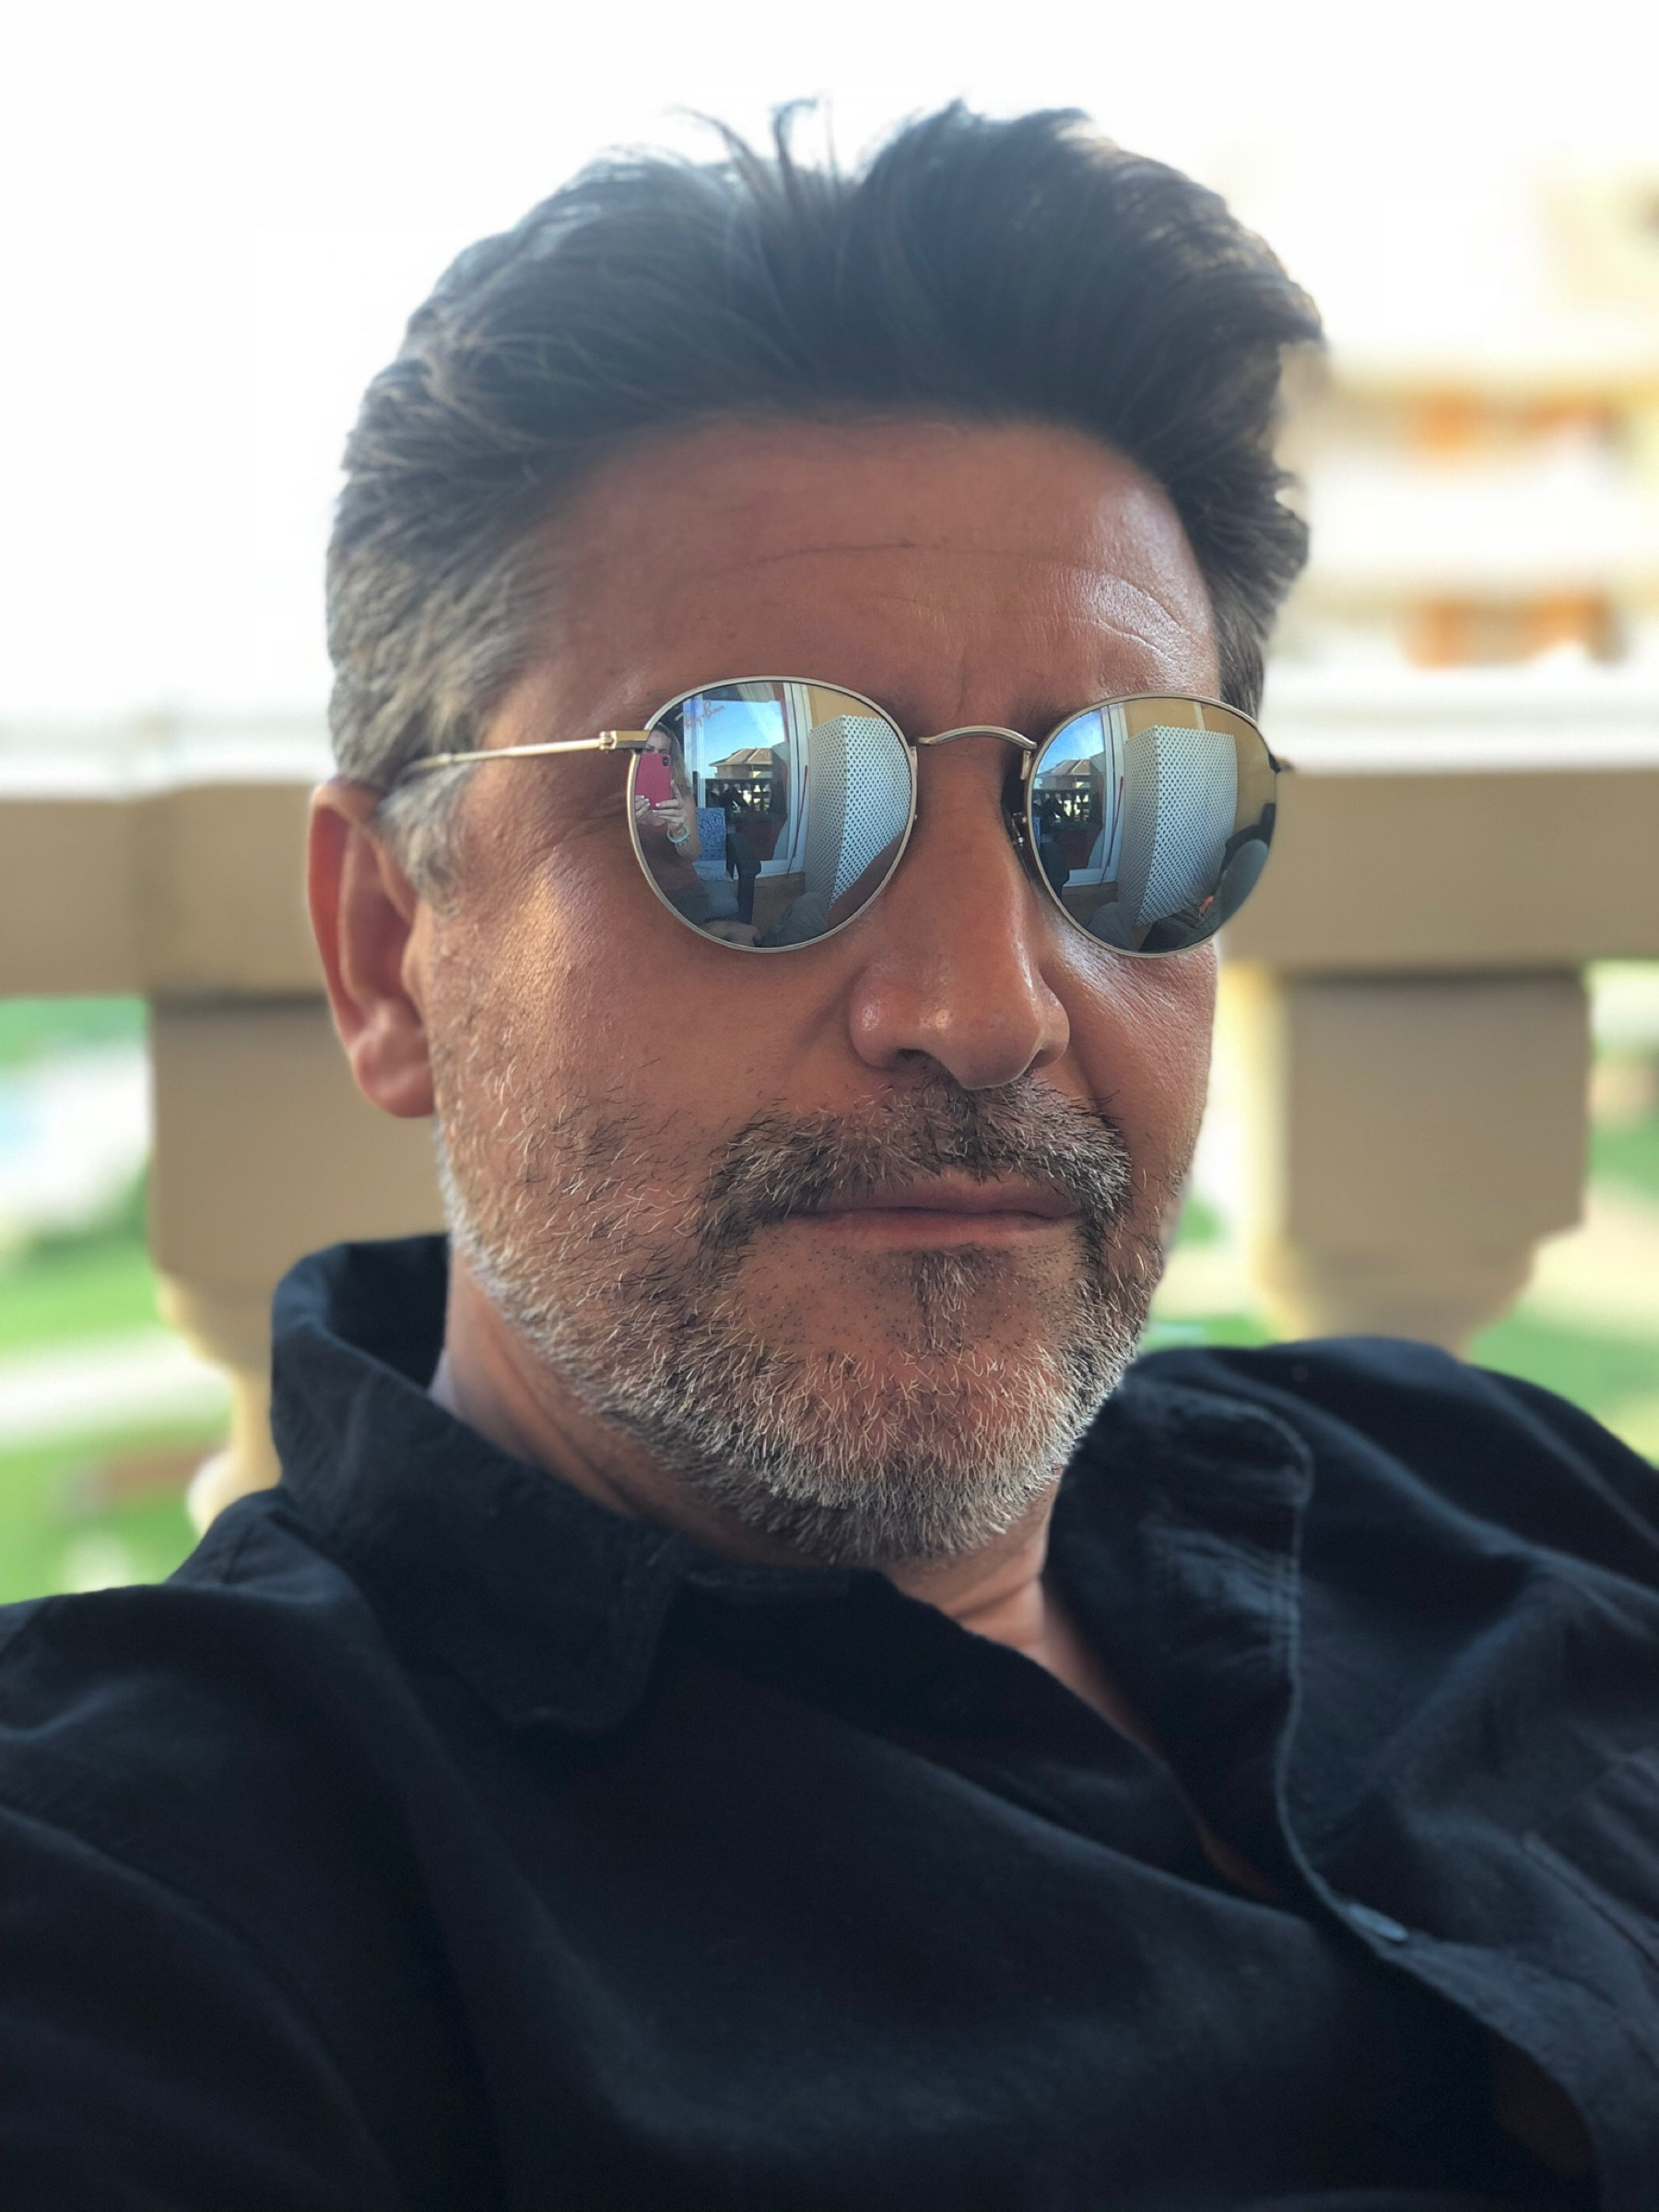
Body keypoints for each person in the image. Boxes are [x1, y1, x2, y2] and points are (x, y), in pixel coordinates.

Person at [3, 106, 1655, 2212]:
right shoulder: (163, 1916)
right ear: (390, 946)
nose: (986, 1003)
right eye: (752, 807)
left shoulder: (1483, 1494)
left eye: (1127, 810)